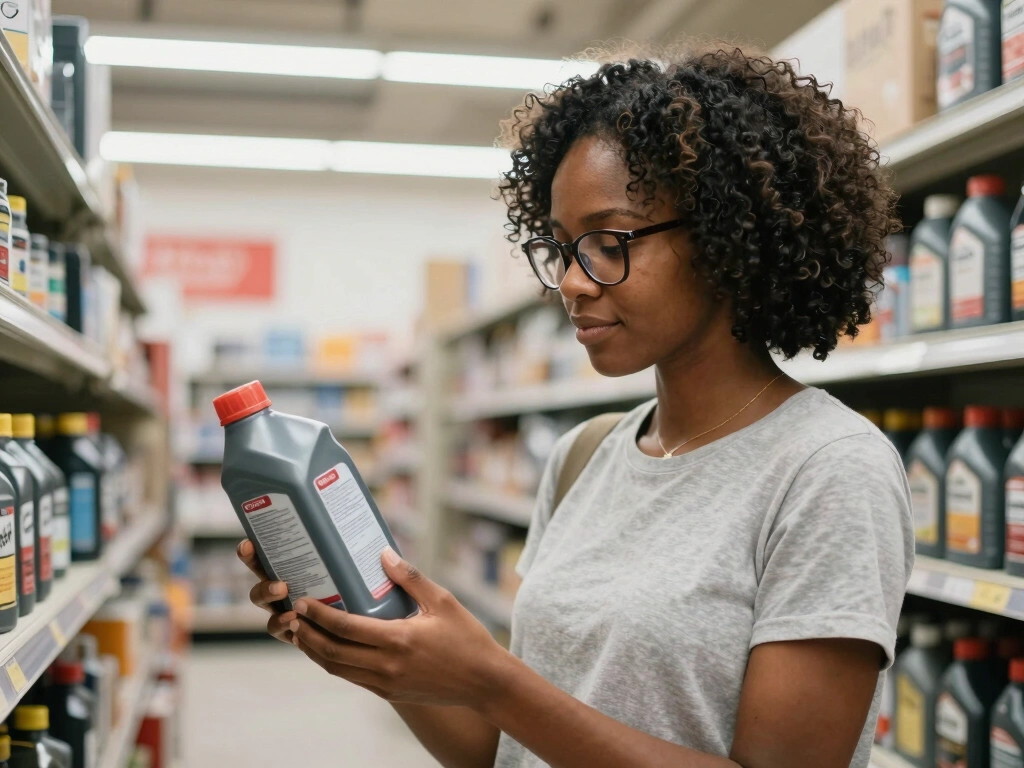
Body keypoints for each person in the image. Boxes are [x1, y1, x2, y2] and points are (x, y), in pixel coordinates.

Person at [239, 43, 912, 768]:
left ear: (727, 238)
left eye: (607, 241)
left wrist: (494, 682)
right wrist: (384, 651)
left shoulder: (829, 471)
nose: (571, 282)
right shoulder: (585, 455)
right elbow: (503, 752)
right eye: (560, 248)